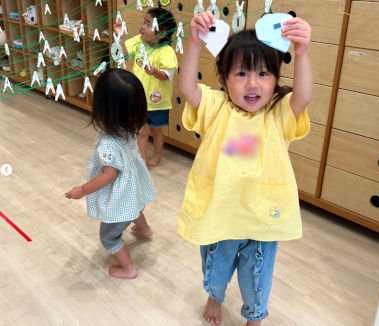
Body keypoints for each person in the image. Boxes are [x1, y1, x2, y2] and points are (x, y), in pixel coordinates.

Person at [177, 12, 312, 325]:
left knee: (258, 275)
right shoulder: (215, 107)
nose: (253, 83)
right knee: (215, 266)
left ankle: (255, 315)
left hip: (262, 216)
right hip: (220, 212)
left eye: (264, 74)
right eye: (241, 74)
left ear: (276, 80)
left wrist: (302, 52)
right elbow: (186, 86)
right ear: (223, 80)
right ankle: (215, 294)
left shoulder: (278, 113)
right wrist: (194, 44)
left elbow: (303, 96)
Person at [66, 69, 156, 279]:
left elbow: (108, 176)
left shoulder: (108, 142)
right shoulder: (130, 126)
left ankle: (128, 268)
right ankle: (145, 230)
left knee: (109, 237)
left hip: (121, 193)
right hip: (135, 187)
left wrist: (82, 190)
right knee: (134, 207)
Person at [115, 7, 177, 166]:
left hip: (158, 101)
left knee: (157, 131)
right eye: (144, 22)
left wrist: (154, 72)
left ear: (162, 32)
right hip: (139, 98)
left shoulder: (167, 51)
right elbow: (122, 52)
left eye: (148, 24)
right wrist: (119, 36)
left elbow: (167, 75)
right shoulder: (138, 41)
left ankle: (157, 155)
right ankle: (142, 162)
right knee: (141, 132)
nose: (142, 26)